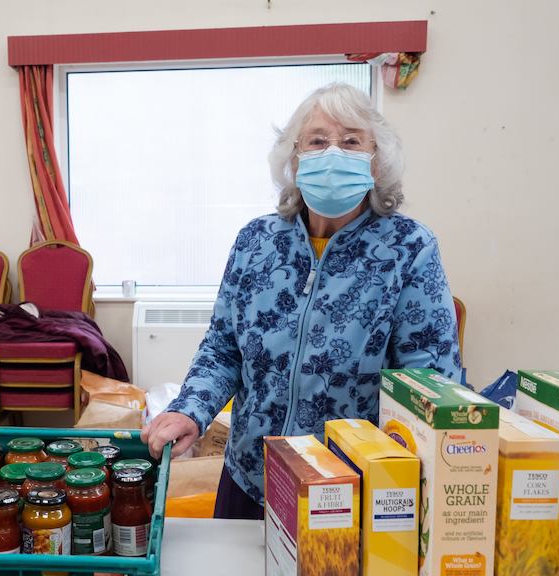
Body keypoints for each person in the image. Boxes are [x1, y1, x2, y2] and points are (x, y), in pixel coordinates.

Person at [141, 82, 462, 519]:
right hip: (250, 479)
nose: (333, 152)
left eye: (351, 141)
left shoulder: (409, 248)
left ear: (376, 159)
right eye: (317, 140)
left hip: (349, 490)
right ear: (294, 157)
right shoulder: (256, 242)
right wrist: (191, 409)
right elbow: (222, 348)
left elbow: (430, 379)